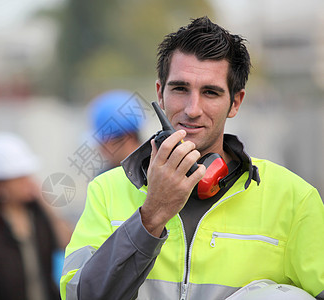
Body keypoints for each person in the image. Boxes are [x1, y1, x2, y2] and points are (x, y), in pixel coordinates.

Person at [60, 16, 324, 300]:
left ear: (235, 102)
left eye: (210, 92)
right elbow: (81, 297)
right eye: (180, 89)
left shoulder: (294, 199)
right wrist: (151, 216)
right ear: (160, 94)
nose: (192, 109)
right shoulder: (106, 191)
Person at [0, 132, 72, 300]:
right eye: (20, 177)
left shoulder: (39, 216)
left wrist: (47, 204)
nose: (29, 181)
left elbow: (69, 244)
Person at [88, 89, 145, 173]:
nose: (100, 149)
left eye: (104, 142)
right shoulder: (104, 177)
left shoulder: (156, 170)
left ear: (128, 137)